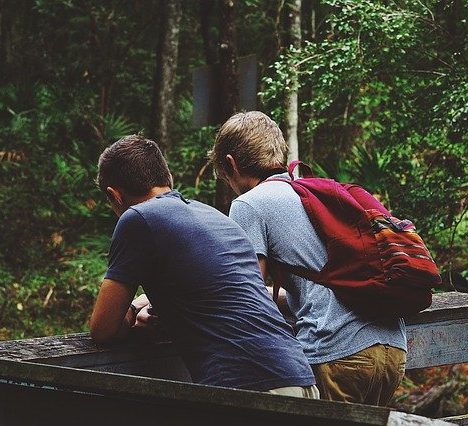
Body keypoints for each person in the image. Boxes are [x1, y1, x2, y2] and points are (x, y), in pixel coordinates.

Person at [90, 134, 319, 397]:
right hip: (299, 376)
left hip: (248, 385)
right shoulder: (214, 217)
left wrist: (131, 308)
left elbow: (103, 329)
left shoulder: (138, 218)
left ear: (114, 195)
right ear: (168, 179)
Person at [210, 111, 407, 406]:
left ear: (231, 164)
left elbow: (245, 296)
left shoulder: (248, 204)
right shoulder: (313, 194)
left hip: (337, 352)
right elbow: (318, 288)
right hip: (392, 349)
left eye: (225, 178)